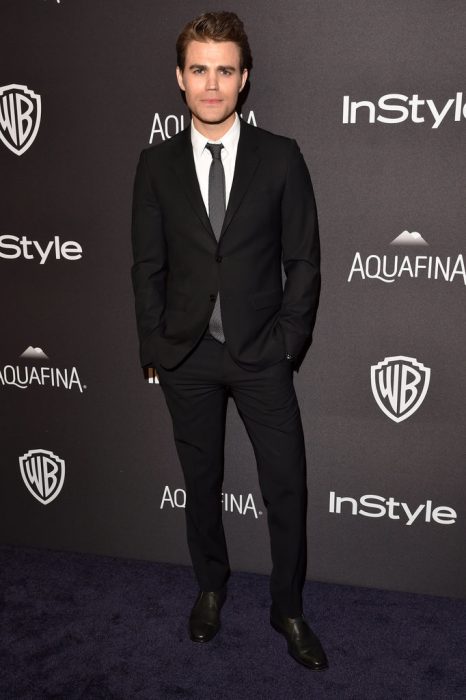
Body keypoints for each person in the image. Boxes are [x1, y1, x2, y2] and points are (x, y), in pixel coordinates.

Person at [131, 11, 327, 670]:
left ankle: (287, 607)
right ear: (179, 78)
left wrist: (289, 342)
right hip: (186, 355)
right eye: (198, 70)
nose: (211, 84)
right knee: (200, 480)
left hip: (261, 354)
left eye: (224, 70)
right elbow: (146, 265)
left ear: (243, 79)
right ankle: (210, 589)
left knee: (287, 486)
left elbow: (303, 260)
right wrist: (155, 345)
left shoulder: (281, 156)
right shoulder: (155, 164)